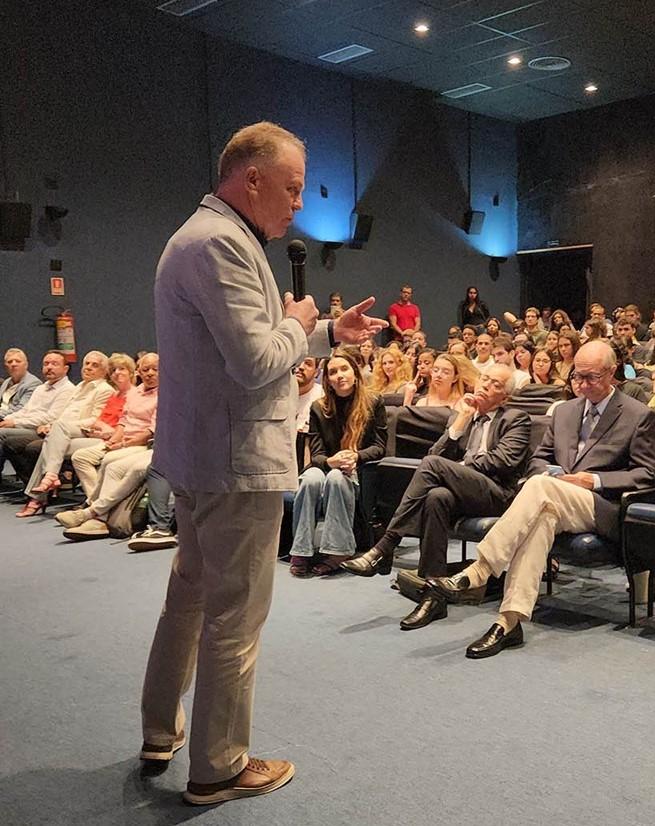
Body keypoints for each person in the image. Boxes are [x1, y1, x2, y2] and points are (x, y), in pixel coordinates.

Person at [137, 121, 386, 806]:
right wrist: (301, 319)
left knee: (187, 597)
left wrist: (328, 329)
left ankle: (162, 730)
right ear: (251, 178)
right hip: (234, 461)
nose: (299, 203)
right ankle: (218, 766)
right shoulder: (222, 243)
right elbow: (256, 362)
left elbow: (245, 343)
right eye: (293, 187)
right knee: (233, 618)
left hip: (200, 456)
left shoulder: (202, 235)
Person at [427, 341, 655, 659]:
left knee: (539, 488)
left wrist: (593, 480)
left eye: (591, 377)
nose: (583, 384)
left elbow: (648, 475)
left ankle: (480, 569)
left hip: (603, 507)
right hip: (555, 497)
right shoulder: (564, 411)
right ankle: (509, 622)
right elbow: (538, 459)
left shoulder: (637, 414)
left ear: (611, 373)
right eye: (578, 376)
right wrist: (552, 474)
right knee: (542, 514)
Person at [342, 364, 531, 629]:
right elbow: (436, 452)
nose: (486, 385)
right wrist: (460, 424)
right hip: (462, 492)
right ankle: (433, 595)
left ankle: (386, 546)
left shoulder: (516, 418)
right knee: (436, 497)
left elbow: (503, 461)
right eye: (484, 379)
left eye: (495, 384)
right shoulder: (463, 415)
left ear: (505, 397)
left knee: (434, 466)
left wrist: (456, 470)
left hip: (497, 495)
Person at [289, 351, 387, 577]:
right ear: (327, 380)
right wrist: (330, 461)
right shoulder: (318, 407)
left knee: (335, 478)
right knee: (311, 479)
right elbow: (316, 454)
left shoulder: (373, 401)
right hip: (326, 465)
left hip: (355, 470)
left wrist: (356, 456)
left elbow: (380, 446)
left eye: (344, 369)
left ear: (355, 373)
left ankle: (338, 552)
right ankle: (301, 550)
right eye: (333, 372)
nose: (339, 375)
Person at [16, 352, 135, 517]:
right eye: (114, 370)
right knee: (53, 442)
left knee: (52, 443)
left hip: (104, 438)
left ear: (132, 372)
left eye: (95, 365)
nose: (116, 373)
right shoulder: (106, 393)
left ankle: (40, 495)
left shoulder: (115, 392)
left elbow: (118, 423)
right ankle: (47, 485)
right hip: (86, 432)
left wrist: (105, 431)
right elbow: (98, 419)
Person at [0, 348, 41, 421]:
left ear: (26, 365)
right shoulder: (6, 382)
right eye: (10, 362)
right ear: (6, 366)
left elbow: (21, 410)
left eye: (18, 361)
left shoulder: (33, 383)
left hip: (15, 421)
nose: (13, 364)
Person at [294, 357, 323, 435]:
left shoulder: (323, 397)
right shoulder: (278, 395)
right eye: (297, 362)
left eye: (308, 364)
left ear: (316, 372)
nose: (301, 367)